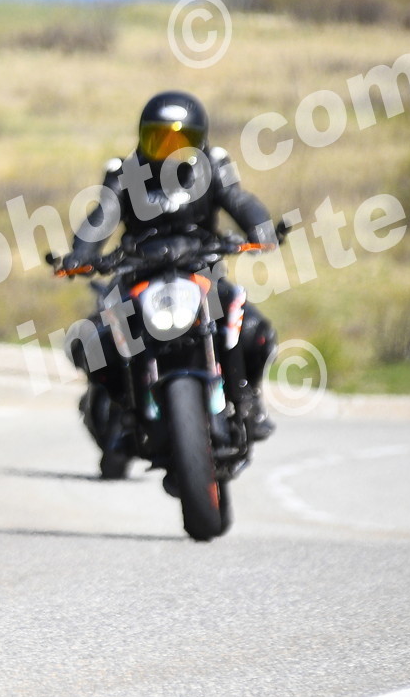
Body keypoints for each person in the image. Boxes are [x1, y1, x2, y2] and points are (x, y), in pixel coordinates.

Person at [60, 91, 277, 441]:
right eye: (159, 140)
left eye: (181, 141)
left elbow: (239, 199)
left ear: (200, 141)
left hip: (201, 271)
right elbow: (104, 215)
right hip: (139, 273)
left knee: (252, 329)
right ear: (142, 138)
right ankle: (122, 409)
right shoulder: (125, 173)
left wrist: (261, 231)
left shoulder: (213, 166)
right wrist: (80, 255)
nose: (170, 150)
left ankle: (247, 399)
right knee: (94, 343)